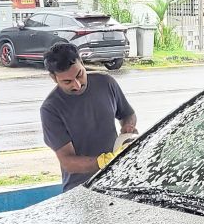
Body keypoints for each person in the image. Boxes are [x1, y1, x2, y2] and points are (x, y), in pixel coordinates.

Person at [39, 42, 137, 192]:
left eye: (79, 75)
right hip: (81, 190)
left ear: (82, 63)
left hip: (115, 181)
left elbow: (127, 114)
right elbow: (68, 161)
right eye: (67, 81)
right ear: (54, 78)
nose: (77, 85)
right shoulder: (50, 109)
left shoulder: (106, 83)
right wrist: (103, 162)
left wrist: (128, 127)